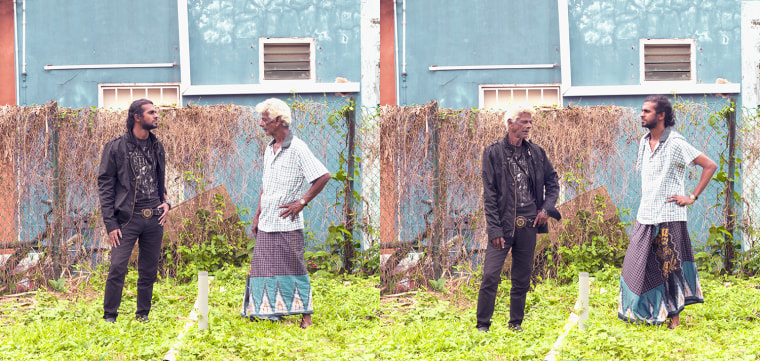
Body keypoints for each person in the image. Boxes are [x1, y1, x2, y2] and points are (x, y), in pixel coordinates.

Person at [619, 95, 717, 329]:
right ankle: (648, 311)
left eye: (647, 111)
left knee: (670, 266)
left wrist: (691, 197)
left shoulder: (675, 142)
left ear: (661, 115)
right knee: (637, 263)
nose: (641, 114)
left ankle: (674, 319)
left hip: (668, 216)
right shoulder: (644, 141)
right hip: (646, 215)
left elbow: (710, 165)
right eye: (641, 110)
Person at [241, 98, 330, 329]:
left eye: (264, 119)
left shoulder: (298, 147)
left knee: (293, 266)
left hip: (287, 222)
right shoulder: (269, 149)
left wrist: (301, 202)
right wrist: (257, 215)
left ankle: (305, 315)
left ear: (278, 121)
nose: (261, 124)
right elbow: (265, 186)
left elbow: (323, 176)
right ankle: (267, 311)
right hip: (267, 220)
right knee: (263, 266)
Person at [476, 104, 561, 332]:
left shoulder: (536, 153)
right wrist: (494, 230)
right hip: (503, 226)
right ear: (510, 123)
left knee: (522, 278)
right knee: (490, 276)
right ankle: (482, 326)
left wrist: (545, 209)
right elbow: (490, 195)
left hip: (529, 225)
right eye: (524, 122)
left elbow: (553, 183)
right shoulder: (493, 153)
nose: (528, 126)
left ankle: (516, 324)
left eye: (530, 122)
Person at [97, 98, 171, 323]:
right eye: (151, 112)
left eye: (156, 112)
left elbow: (159, 180)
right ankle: (110, 317)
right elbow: (105, 186)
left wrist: (166, 203)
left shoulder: (157, 146)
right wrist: (111, 224)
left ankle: (143, 315)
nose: (156, 115)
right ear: (137, 117)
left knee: (148, 270)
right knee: (118, 267)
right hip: (127, 220)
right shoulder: (116, 146)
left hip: (154, 218)